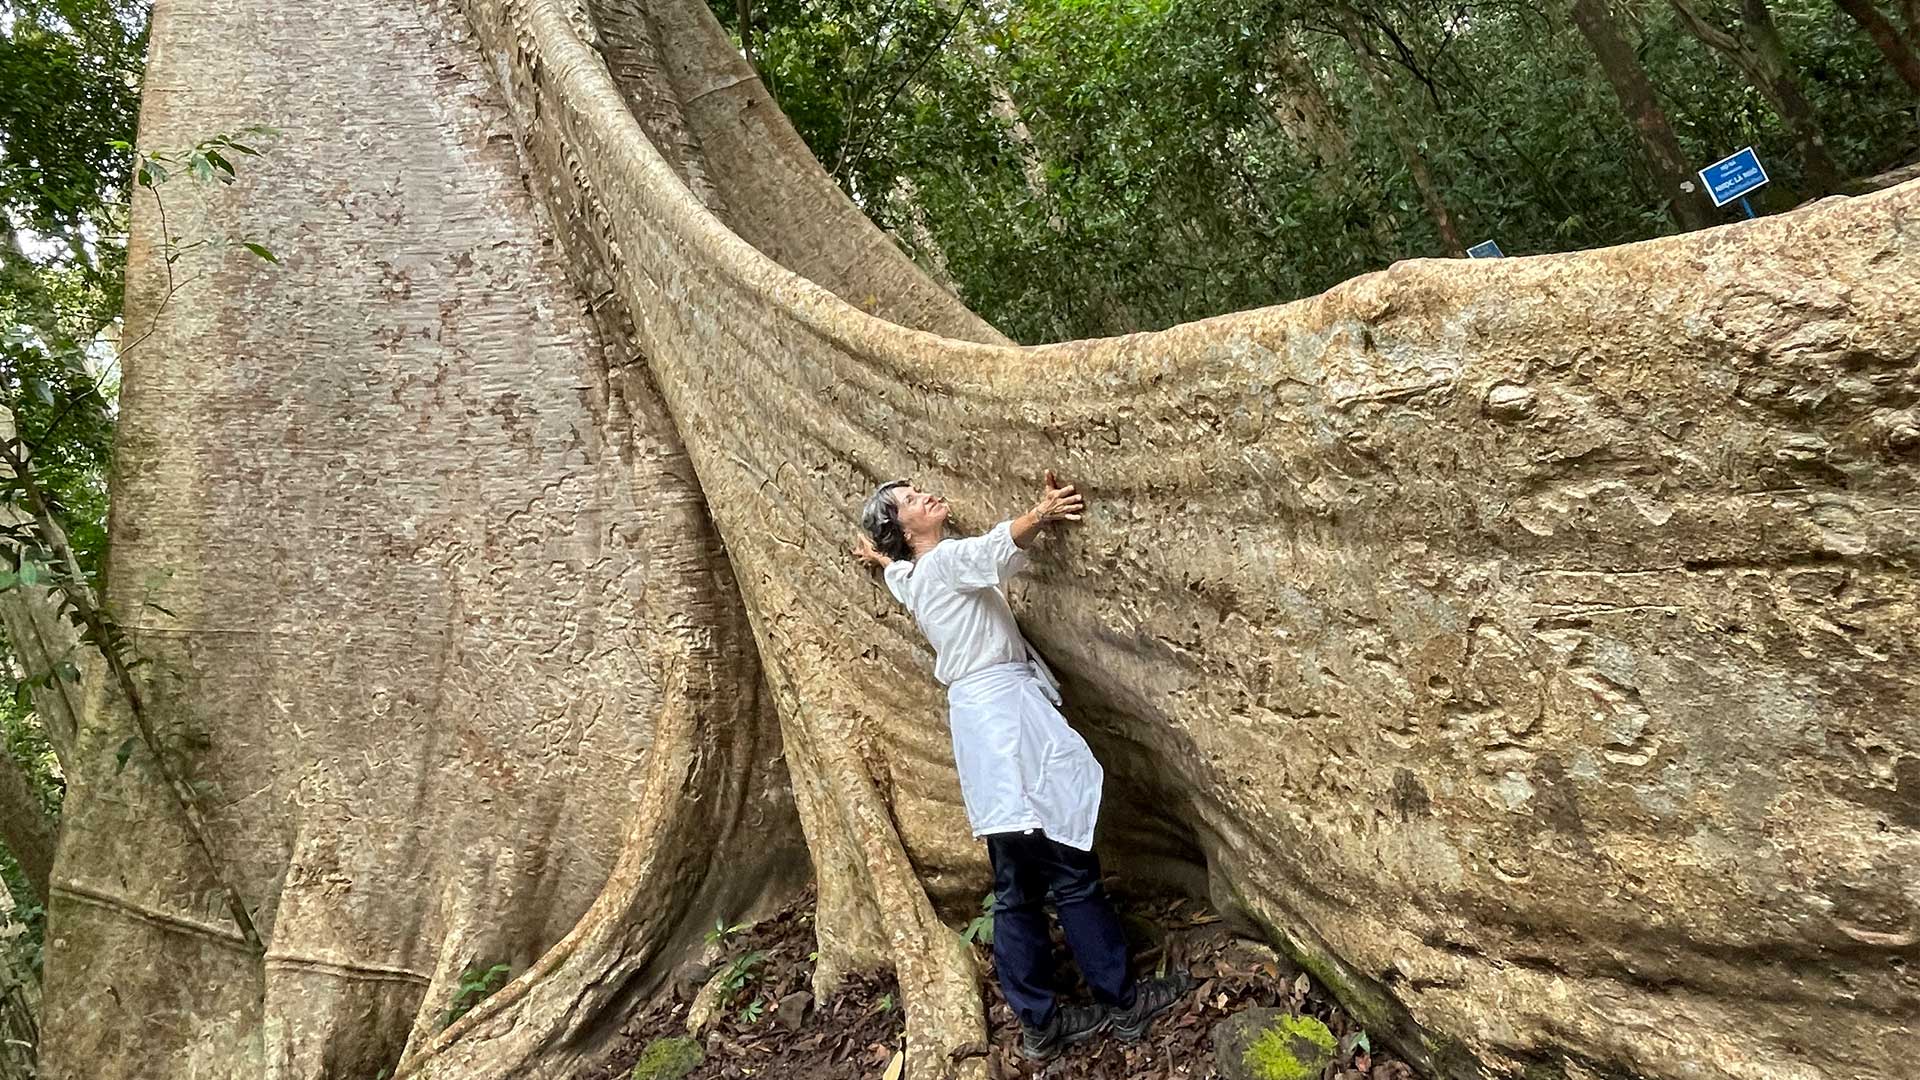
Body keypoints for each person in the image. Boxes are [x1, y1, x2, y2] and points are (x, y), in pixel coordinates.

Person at [853, 471, 1192, 1061]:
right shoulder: (946, 561)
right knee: (1072, 868)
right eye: (911, 502)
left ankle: (1039, 1024)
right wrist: (1041, 513)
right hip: (1010, 722)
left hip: (981, 732)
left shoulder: (914, 577)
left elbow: (900, 579)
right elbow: (992, 550)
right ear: (905, 531)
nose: (926, 496)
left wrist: (879, 560)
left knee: (1014, 885)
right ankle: (1122, 1004)